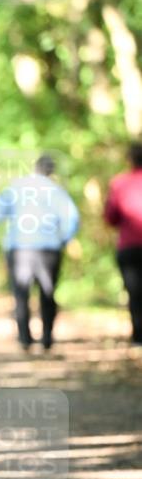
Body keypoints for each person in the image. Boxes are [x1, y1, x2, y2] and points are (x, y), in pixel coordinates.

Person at [0, 154, 79, 351]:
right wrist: (63, 239)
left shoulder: (17, 186)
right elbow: (72, 217)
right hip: (49, 248)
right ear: (51, 171)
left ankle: (25, 339)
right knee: (47, 292)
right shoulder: (56, 190)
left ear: (35, 168)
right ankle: (47, 338)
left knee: (21, 294)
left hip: (20, 248)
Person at [104, 142, 142, 345]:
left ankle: (139, 337)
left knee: (135, 292)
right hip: (130, 246)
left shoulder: (120, 183)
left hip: (129, 246)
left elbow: (110, 217)